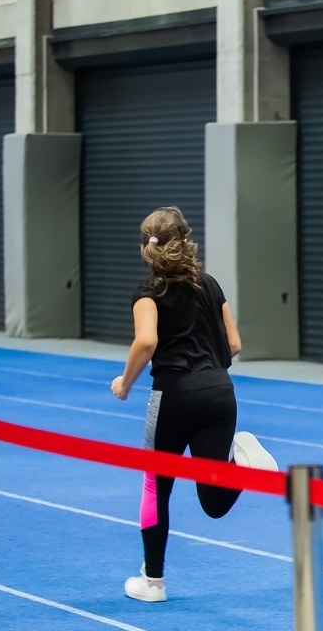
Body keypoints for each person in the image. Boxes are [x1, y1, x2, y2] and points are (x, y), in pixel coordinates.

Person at [110, 206, 277, 603]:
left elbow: (146, 341)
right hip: (220, 394)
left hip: (174, 396)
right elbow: (234, 344)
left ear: (146, 247)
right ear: (185, 242)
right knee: (213, 501)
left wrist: (125, 382)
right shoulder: (211, 285)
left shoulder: (149, 292)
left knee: (156, 486)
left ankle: (153, 581)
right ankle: (244, 463)